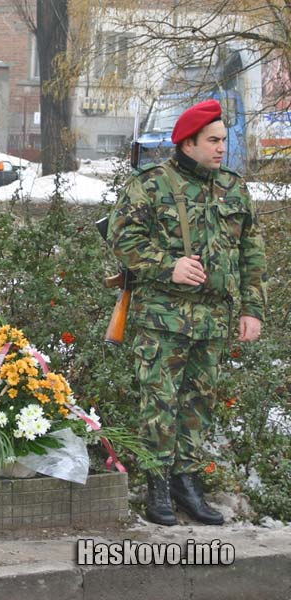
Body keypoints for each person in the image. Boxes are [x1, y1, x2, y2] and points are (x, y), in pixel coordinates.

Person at [108, 99, 267, 526]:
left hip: (213, 319)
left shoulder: (233, 188)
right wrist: (169, 266)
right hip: (164, 318)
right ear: (188, 143)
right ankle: (157, 485)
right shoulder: (152, 185)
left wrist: (252, 309)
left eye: (223, 140)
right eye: (213, 141)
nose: (221, 148)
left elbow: (252, 253)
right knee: (159, 403)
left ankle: (186, 483)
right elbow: (122, 239)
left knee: (199, 404)